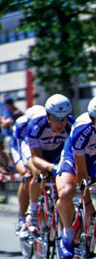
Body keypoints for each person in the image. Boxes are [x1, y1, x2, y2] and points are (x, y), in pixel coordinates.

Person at [55, 95, 96, 259]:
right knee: (66, 192)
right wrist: (87, 203)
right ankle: (68, 233)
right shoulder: (82, 129)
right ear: (92, 120)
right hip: (74, 158)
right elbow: (82, 173)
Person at [25, 94, 74, 232]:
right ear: (48, 116)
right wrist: (51, 167)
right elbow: (35, 158)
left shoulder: (71, 124)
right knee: (38, 173)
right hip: (37, 153)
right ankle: (33, 211)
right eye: (55, 119)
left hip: (57, 153)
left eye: (64, 119)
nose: (60, 124)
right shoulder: (36, 126)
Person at [11, 105, 46, 236]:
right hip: (20, 148)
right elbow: (22, 149)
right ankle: (22, 218)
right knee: (28, 174)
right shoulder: (22, 124)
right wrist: (26, 167)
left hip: (37, 146)